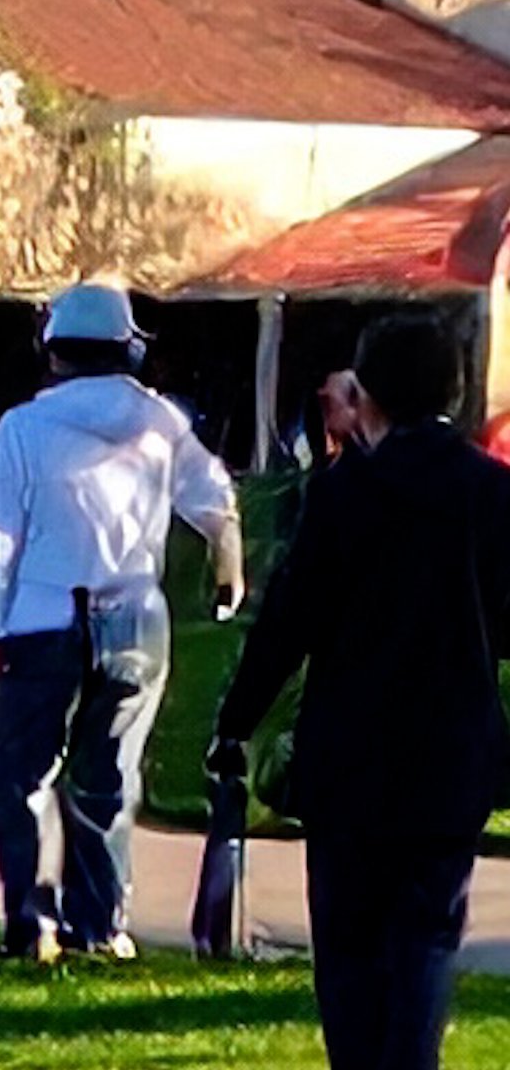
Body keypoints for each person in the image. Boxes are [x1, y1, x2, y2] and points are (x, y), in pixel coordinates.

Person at [212, 313, 510, 1070]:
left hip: (350, 751)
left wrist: (237, 720)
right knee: (428, 934)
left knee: (348, 942)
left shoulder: (345, 493)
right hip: (452, 749)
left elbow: (289, 619)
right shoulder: (491, 493)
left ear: (367, 395)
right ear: (456, 391)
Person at [0, 281, 243, 962]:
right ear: (128, 349)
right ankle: (102, 925)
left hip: (40, 619)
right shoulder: (160, 422)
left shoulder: (23, 429)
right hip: (136, 617)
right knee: (110, 776)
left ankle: (32, 924)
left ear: (53, 351)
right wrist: (227, 567)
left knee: (21, 775)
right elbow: (215, 501)